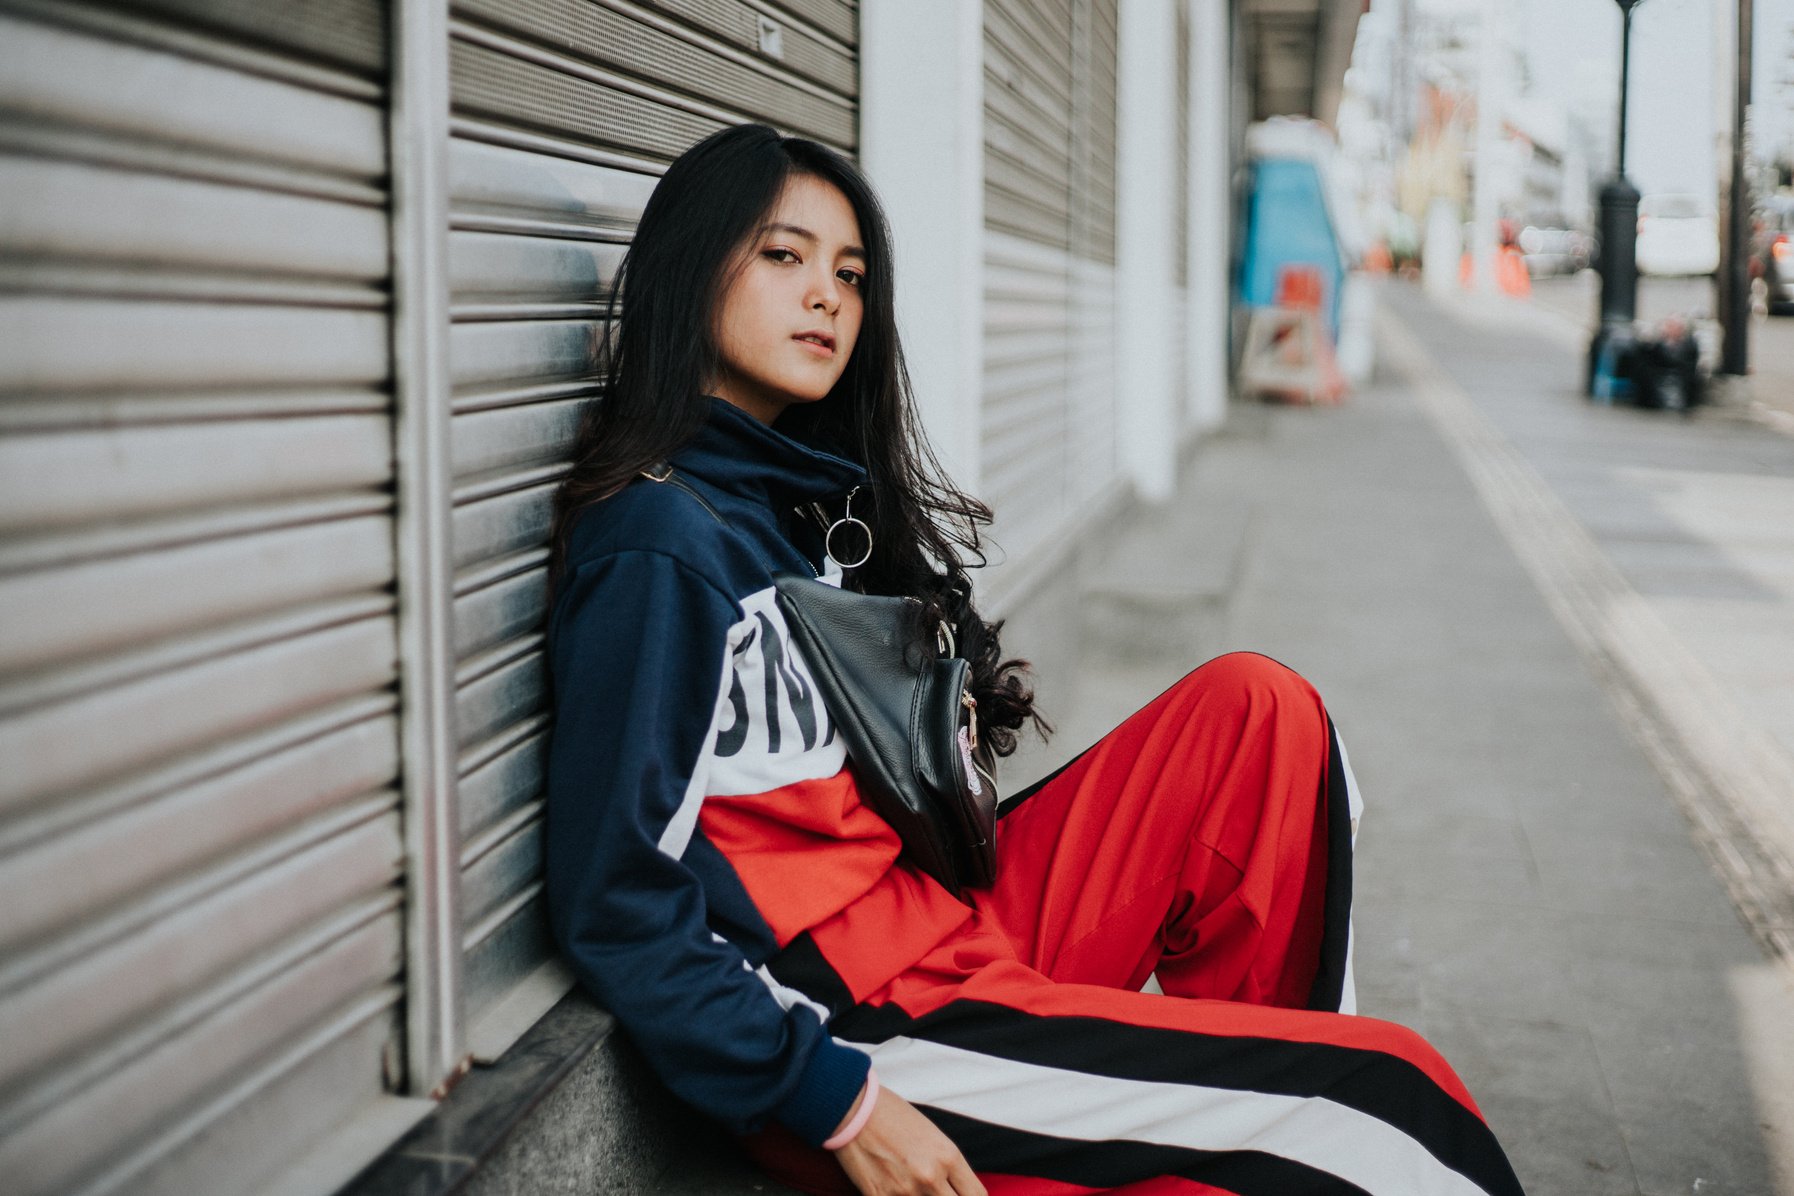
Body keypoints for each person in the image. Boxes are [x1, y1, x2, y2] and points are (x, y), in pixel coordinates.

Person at [545, 123, 1525, 1196]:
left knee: (1261, 713)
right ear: (694, 265)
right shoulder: (664, 548)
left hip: (947, 925)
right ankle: (1265, 1119)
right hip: (865, 1026)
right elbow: (616, 896)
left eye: (850, 272)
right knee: (1391, 1105)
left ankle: (1240, 1109)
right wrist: (836, 1096)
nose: (826, 294)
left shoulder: (805, 508)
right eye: (784, 256)